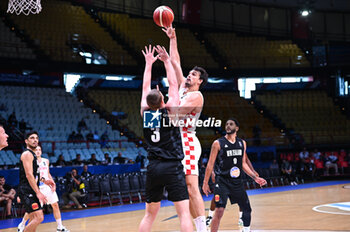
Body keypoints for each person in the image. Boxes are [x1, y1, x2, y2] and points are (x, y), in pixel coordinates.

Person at [138, 45, 193, 232]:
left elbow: (145, 87)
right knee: (184, 213)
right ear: (163, 100)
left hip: (153, 167)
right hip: (172, 165)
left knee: (149, 215)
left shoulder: (145, 113)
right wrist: (167, 61)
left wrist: (148, 64)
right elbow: (174, 85)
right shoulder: (171, 112)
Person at [163, 25, 208, 232]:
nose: (189, 75)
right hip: (176, 141)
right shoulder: (183, 88)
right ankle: (198, 226)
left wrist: (160, 105)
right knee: (183, 189)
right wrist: (173, 38)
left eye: (194, 75)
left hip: (187, 141)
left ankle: (202, 228)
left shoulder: (195, 96)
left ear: (200, 81)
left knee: (191, 187)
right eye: (189, 73)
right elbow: (175, 62)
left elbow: (174, 116)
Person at [202, 118, 267, 232]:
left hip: (237, 182)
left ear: (237, 128)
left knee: (247, 209)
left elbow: (243, 164)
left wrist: (255, 177)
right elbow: (210, 164)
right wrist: (205, 183)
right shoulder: (218, 143)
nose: (228, 126)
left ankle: (246, 230)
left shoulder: (242, 143)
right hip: (222, 181)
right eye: (226, 124)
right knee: (220, 210)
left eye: (231, 124)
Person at [17, 146, 69, 232]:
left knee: (55, 205)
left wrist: (53, 183)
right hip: (37, 188)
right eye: (36, 150)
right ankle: (22, 224)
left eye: (39, 150)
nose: (38, 151)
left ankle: (60, 227)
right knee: (34, 211)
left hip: (47, 187)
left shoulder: (46, 161)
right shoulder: (31, 161)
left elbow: (47, 173)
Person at [206, 154, 259, 227]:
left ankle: (241, 218)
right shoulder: (219, 143)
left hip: (235, 175)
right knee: (216, 197)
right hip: (222, 175)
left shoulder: (240, 144)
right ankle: (210, 216)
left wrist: (252, 170)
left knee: (241, 197)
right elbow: (212, 160)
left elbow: (246, 158)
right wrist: (212, 172)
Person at [17, 131, 55, 232]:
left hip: (30, 189)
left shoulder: (33, 155)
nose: (35, 140)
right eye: (32, 138)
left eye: (37, 138)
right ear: (26, 141)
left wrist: (44, 181)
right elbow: (29, 175)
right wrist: (38, 192)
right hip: (27, 190)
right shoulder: (27, 154)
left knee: (34, 219)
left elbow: (34, 174)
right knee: (39, 217)